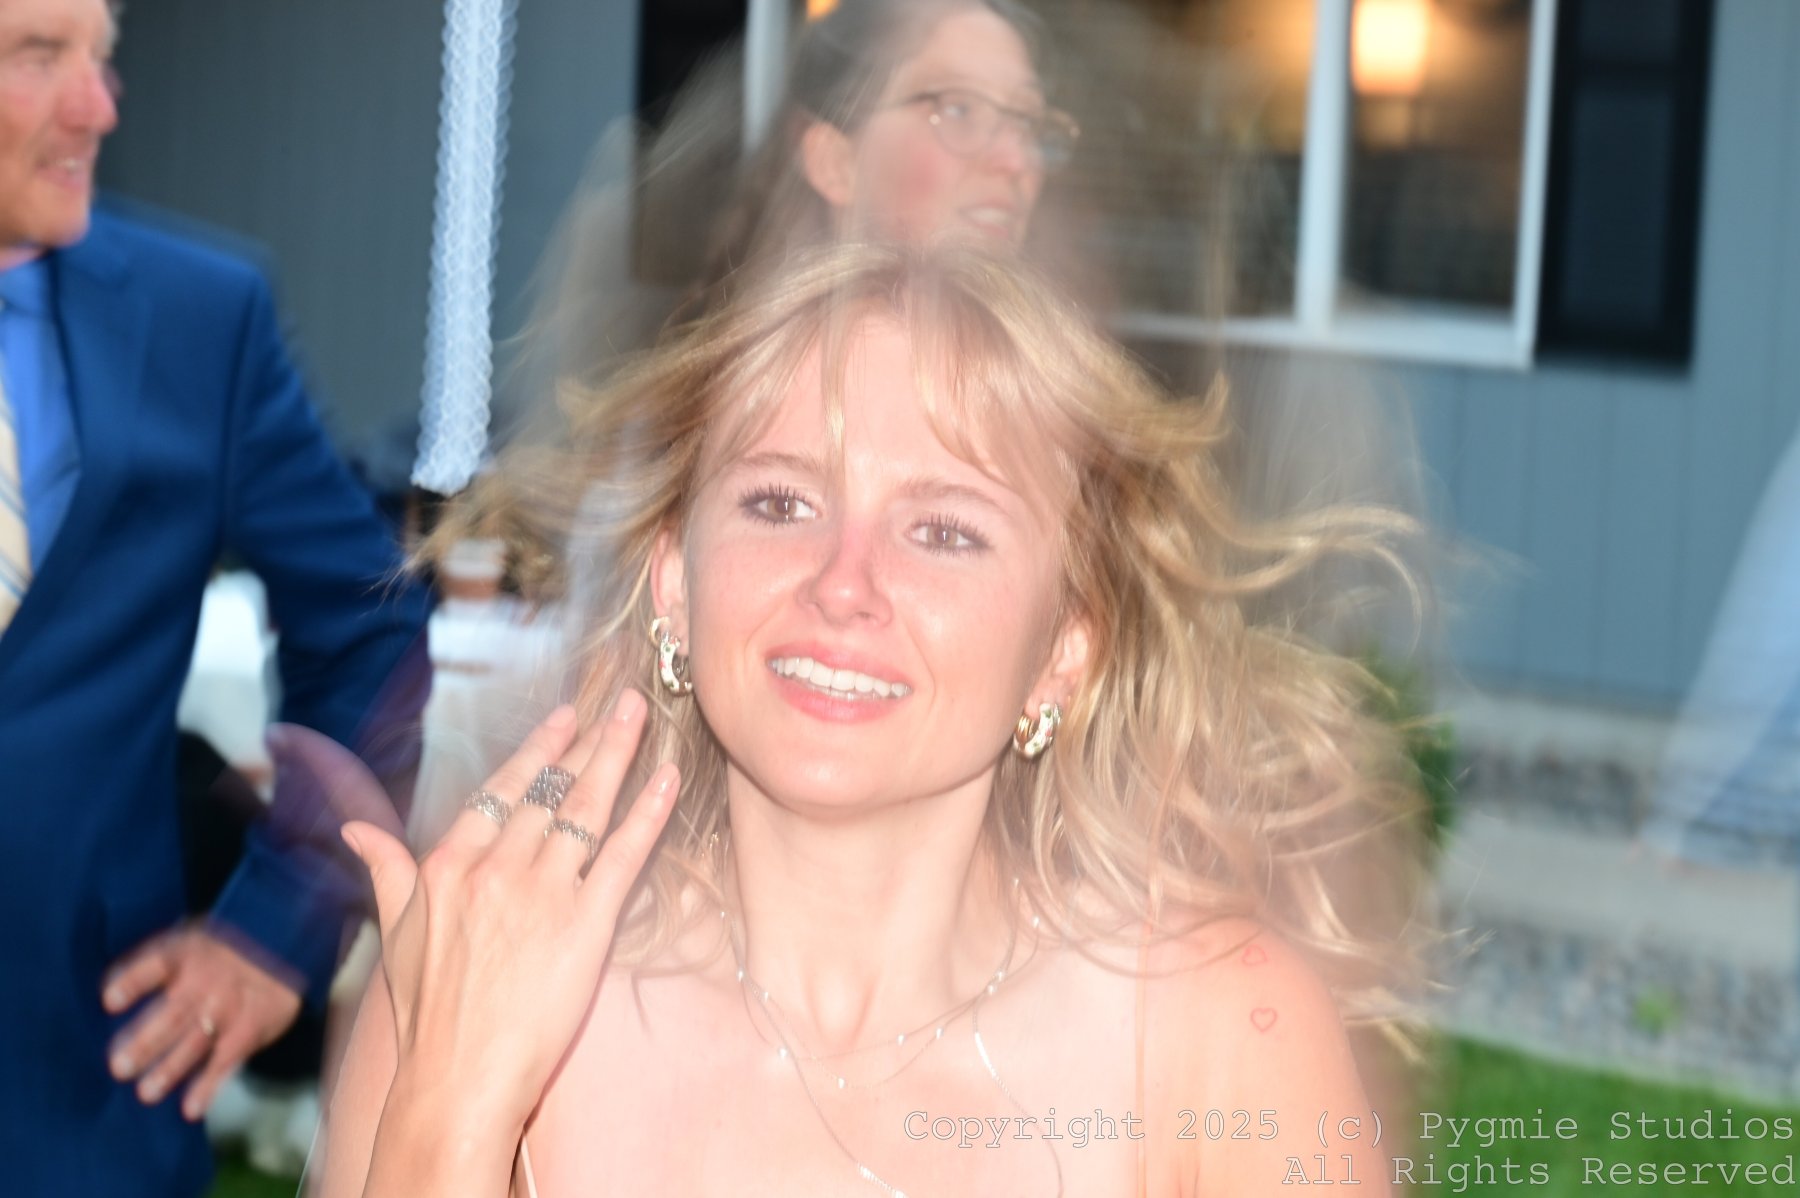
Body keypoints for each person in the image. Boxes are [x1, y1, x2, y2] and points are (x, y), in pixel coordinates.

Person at [317, 244, 1425, 1196]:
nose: (843, 584)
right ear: (674, 585)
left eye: (944, 531)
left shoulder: (1219, 1042)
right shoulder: (476, 984)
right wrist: (450, 1113)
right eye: (781, 502)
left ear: (1063, 650)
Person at [0, 1, 432, 1193]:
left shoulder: (199, 318)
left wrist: (280, 922)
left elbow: (372, 629)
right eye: (39, 55)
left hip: (80, 1102)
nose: (99, 106)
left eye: (105, 56)